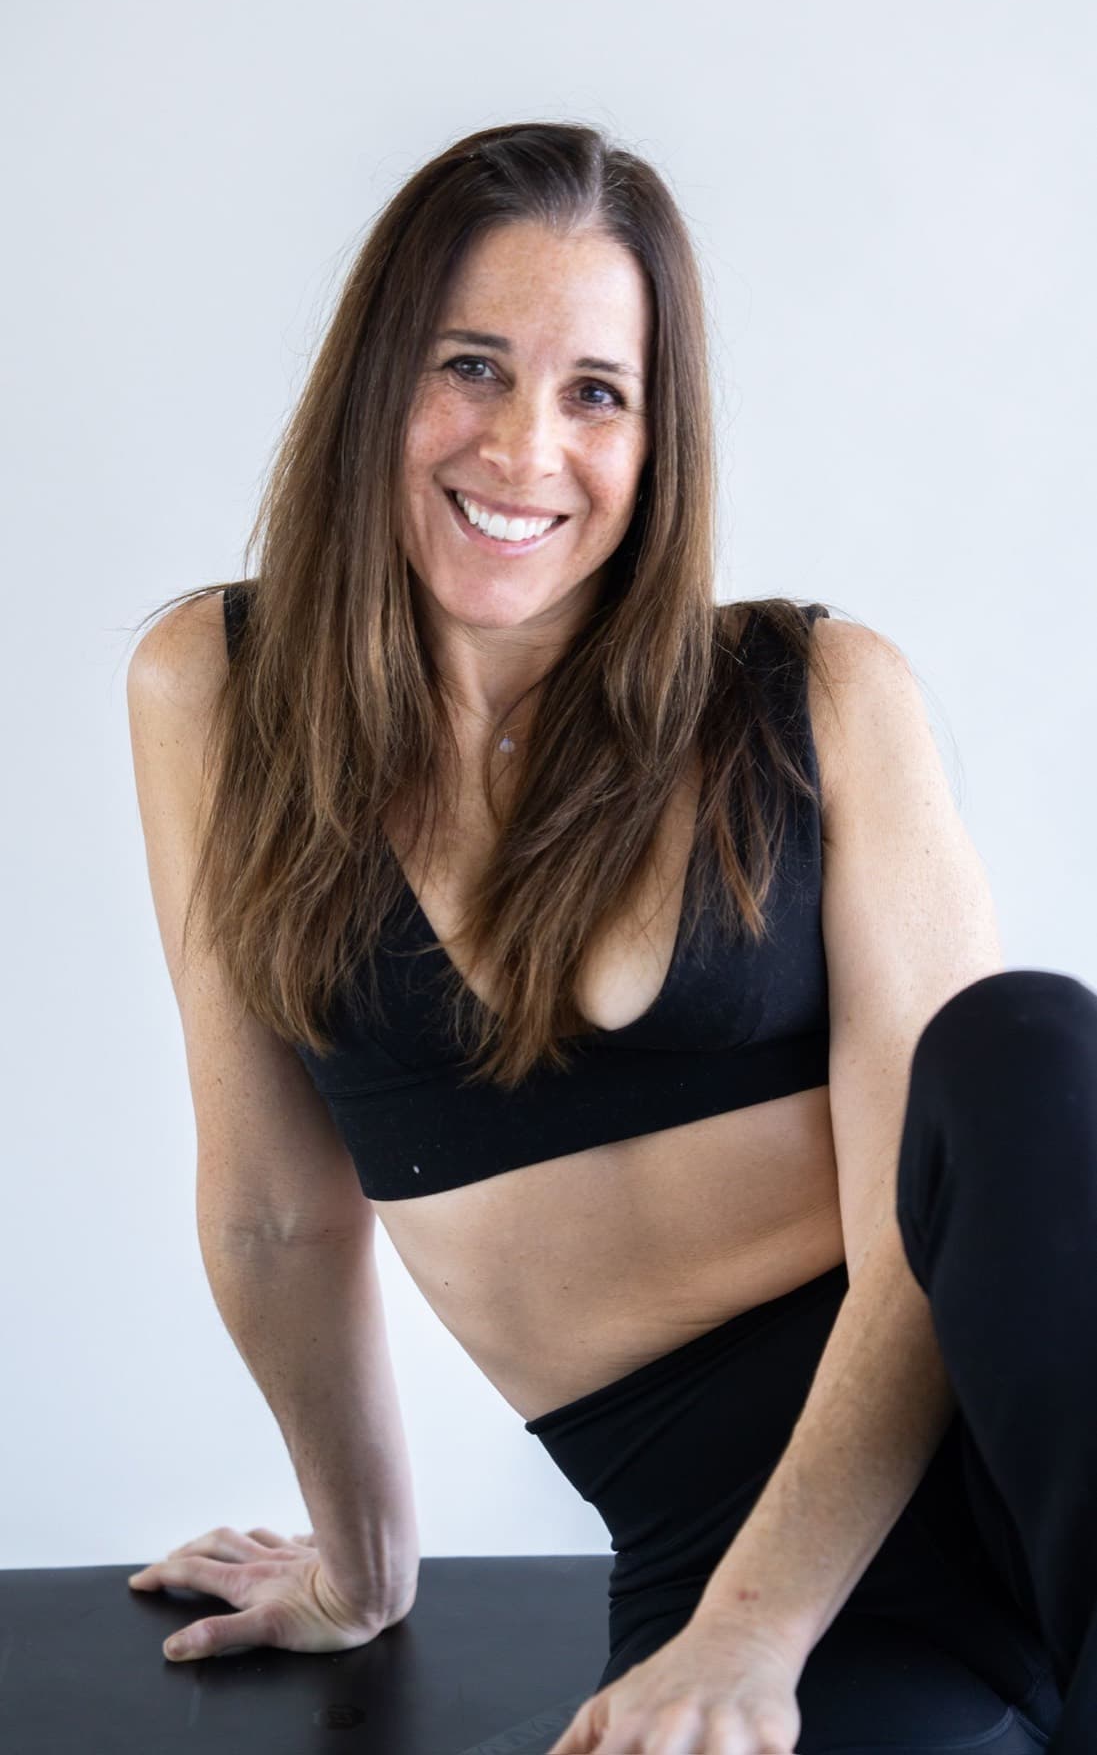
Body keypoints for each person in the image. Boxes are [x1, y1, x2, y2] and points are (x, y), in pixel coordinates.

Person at [124, 122, 1096, 1751]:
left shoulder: (819, 697)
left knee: (1024, 1041)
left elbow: (940, 1226)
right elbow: (278, 1214)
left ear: (657, 442)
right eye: (472, 367)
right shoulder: (214, 696)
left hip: (998, 1435)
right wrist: (362, 1568)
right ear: (377, 381)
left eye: (594, 392)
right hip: (719, 1536)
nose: (522, 447)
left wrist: (752, 1634)